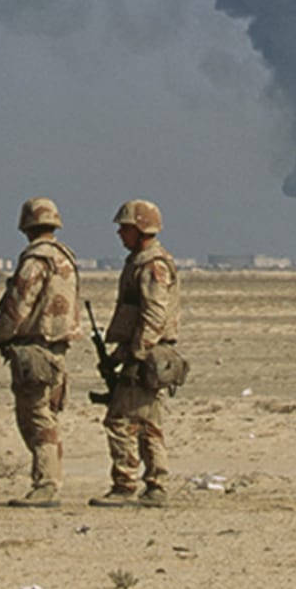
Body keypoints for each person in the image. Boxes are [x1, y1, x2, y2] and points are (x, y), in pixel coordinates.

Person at [0, 197, 84, 508]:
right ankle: (49, 478)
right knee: (46, 415)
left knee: (36, 418)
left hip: (34, 350)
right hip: (57, 347)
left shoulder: (35, 261)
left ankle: (46, 484)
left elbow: (16, 309)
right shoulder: (66, 259)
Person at [89, 198, 182, 507]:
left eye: (125, 228)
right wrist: (115, 356)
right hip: (144, 353)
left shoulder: (152, 265)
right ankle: (156, 485)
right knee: (147, 424)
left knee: (120, 421)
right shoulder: (141, 262)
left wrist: (136, 355)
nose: (120, 234)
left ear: (141, 228)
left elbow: (154, 314)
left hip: (147, 356)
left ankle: (125, 485)